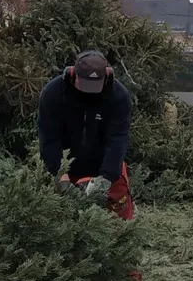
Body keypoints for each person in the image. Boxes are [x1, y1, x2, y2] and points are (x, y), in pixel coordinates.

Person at [38, 49, 134, 220]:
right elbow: (49, 138)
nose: (90, 93)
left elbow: (117, 139)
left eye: (95, 88)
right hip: (65, 165)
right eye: (85, 87)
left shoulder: (119, 96)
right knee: (57, 217)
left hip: (105, 165)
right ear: (73, 74)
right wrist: (60, 173)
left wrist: (105, 178)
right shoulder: (53, 94)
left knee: (119, 213)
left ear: (107, 75)